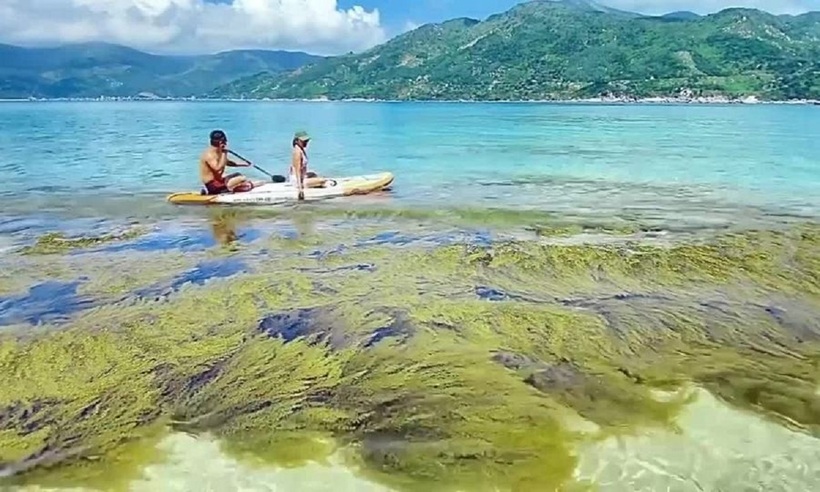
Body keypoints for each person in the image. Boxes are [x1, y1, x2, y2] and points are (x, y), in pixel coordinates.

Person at [199, 130, 259, 195]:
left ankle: (236, 187)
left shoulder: (218, 151)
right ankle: (231, 189)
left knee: (238, 174)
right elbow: (217, 168)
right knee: (242, 179)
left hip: (219, 181)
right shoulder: (209, 155)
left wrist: (245, 164)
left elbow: (228, 163)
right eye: (225, 141)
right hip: (214, 186)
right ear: (221, 142)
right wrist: (224, 152)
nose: (226, 143)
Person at [289, 130, 329, 199]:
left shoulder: (300, 149)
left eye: (306, 141)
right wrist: (300, 189)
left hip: (302, 176)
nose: (306, 143)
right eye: (304, 141)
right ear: (297, 141)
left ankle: (311, 182)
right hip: (297, 180)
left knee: (313, 174)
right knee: (322, 180)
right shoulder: (297, 152)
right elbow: (297, 170)